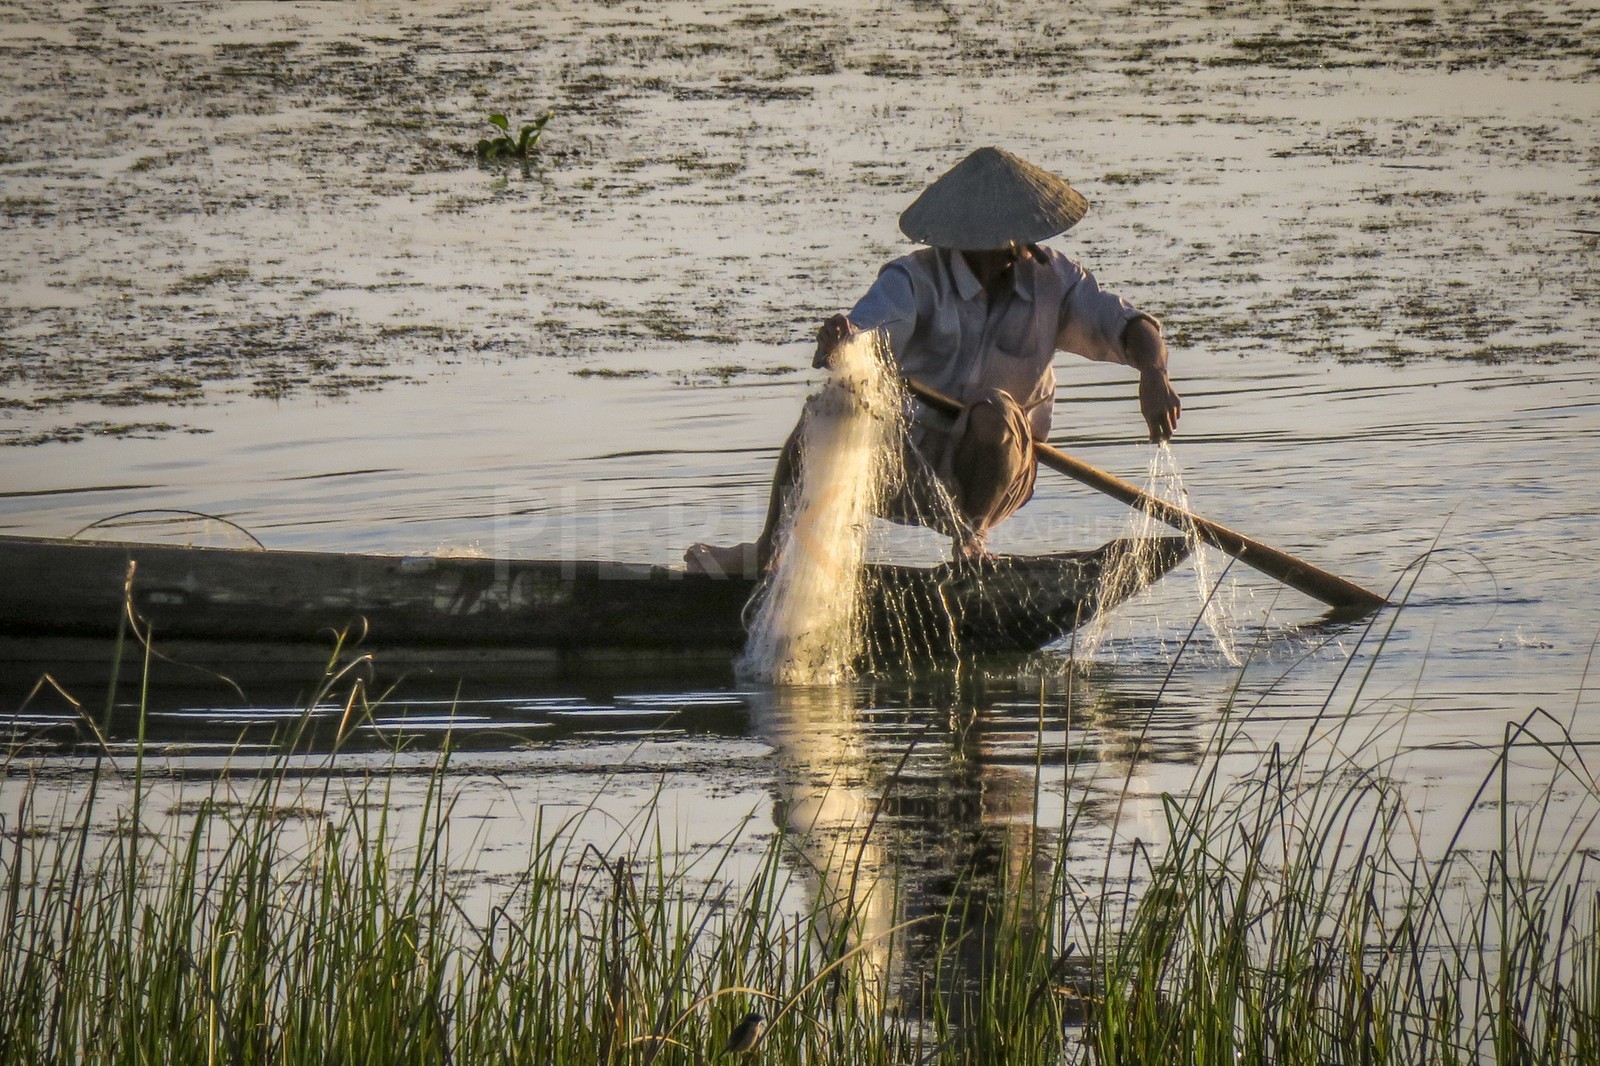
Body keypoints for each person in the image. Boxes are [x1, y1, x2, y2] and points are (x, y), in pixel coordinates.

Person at [686, 146, 1180, 576]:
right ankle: (765, 552)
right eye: (998, 243)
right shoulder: (912, 280)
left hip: (999, 470)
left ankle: (970, 545)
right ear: (961, 240)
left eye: (1018, 239)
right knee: (823, 413)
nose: (1013, 253)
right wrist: (845, 343)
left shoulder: (1055, 280)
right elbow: (869, 337)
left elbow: (1130, 326)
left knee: (992, 410)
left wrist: (1154, 374)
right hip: (908, 466)